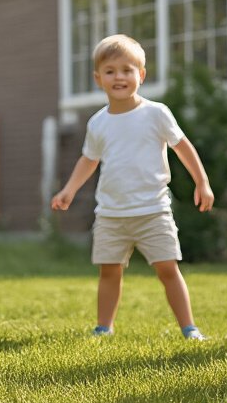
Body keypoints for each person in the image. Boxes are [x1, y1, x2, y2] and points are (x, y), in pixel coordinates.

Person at [50, 34, 214, 340]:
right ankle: (104, 327)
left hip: (153, 211)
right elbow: (89, 159)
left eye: (127, 69)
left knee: (168, 269)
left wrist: (202, 182)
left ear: (141, 74)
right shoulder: (98, 123)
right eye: (110, 71)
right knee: (109, 271)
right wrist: (69, 190)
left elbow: (183, 148)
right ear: (99, 79)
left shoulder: (156, 113)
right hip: (112, 214)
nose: (119, 77)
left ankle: (189, 327)